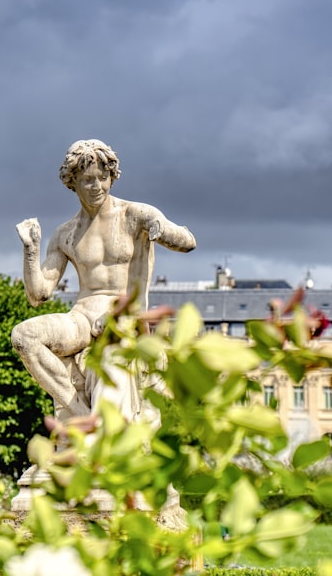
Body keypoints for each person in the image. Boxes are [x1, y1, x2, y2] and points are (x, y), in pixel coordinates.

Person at [11, 139, 196, 422]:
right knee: (24, 336)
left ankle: (102, 429)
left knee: (110, 361)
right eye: (87, 180)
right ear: (73, 182)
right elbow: (38, 294)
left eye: (103, 177)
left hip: (124, 314)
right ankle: (81, 415)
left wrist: (162, 230)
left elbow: (188, 241)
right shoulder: (65, 234)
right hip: (83, 317)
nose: (97, 186)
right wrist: (30, 249)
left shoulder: (135, 215)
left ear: (112, 177)